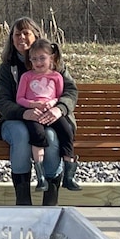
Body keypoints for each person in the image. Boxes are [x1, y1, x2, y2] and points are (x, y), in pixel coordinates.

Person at [0, 17, 78, 206]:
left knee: (51, 136)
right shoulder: (8, 68)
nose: (21, 38)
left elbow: (70, 91)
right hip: (15, 120)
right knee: (22, 135)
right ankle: (23, 202)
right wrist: (23, 112)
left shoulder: (53, 64)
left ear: (36, 37)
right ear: (12, 39)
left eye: (26, 33)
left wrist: (60, 109)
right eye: (17, 34)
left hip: (49, 116)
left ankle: (50, 200)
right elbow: (1, 99)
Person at [15, 37, 76, 186]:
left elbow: (59, 96)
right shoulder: (26, 77)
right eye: (34, 59)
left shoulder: (57, 77)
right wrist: (32, 104)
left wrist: (53, 104)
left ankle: (69, 175)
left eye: (42, 58)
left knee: (66, 131)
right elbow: (19, 98)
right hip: (34, 113)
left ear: (51, 58)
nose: (38, 62)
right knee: (38, 135)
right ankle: (41, 176)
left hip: (51, 112)